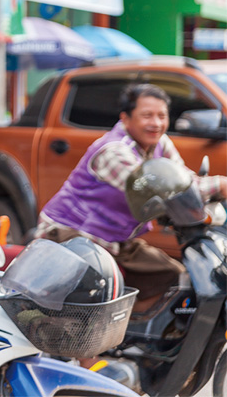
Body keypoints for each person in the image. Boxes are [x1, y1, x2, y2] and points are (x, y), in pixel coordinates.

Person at [35, 83, 227, 309]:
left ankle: (139, 336)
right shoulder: (113, 151)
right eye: (147, 116)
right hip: (71, 236)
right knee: (96, 297)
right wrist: (220, 185)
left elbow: (181, 179)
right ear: (125, 118)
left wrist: (204, 191)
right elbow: (153, 189)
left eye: (161, 116)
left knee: (176, 277)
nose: (156, 123)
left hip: (116, 241)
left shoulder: (160, 143)